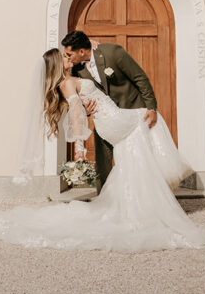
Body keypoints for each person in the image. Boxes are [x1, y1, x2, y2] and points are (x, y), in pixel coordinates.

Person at [0, 47, 205, 251]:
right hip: (114, 120)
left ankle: (137, 209)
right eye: (64, 56)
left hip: (108, 125)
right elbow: (75, 113)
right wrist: (81, 149)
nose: (68, 56)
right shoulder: (66, 83)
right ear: (57, 63)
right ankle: (165, 181)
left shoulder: (71, 79)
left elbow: (80, 102)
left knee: (132, 161)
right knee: (151, 116)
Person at [61, 30, 158, 193]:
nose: (68, 57)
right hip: (104, 118)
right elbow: (77, 99)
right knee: (102, 162)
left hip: (130, 109)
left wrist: (151, 107)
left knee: (134, 156)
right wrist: (86, 110)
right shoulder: (76, 70)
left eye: (69, 54)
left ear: (82, 51)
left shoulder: (113, 52)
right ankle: (105, 199)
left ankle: (140, 193)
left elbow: (139, 77)